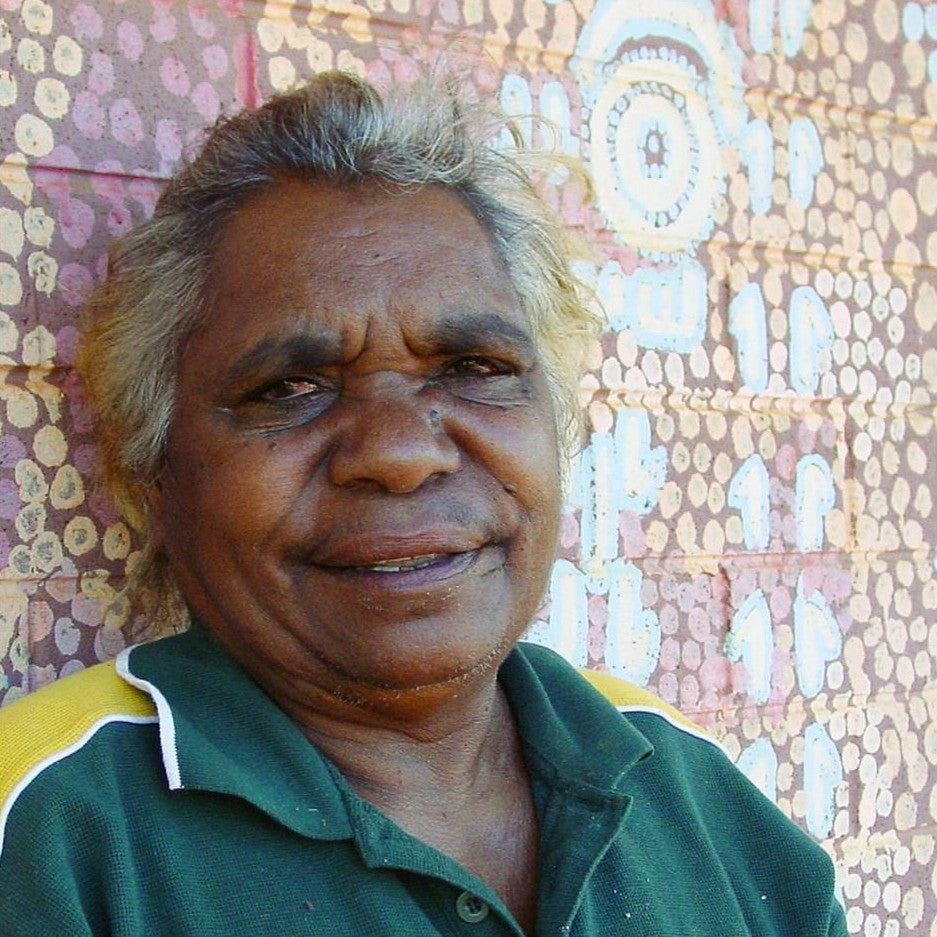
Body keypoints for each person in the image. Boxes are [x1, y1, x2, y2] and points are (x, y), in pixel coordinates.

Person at [0, 72, 846, 937]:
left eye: (475, 369)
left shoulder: (686, 788)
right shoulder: (50, 837)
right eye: (290, 386)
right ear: (155, 470)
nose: (400, 452)